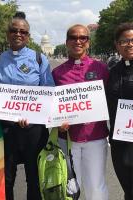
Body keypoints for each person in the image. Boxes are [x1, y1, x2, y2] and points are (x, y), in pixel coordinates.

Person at [0, 11, 54, 200]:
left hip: (33, 129)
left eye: (23, 32)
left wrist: (35, 116)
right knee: (7, 178)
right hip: (6, 129)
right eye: (14, 30)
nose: (18, 34)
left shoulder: (39, 58)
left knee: (34, 177)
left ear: (28, 36)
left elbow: (48, 90)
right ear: (7, 34)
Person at [52, 24, 109, 200]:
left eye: (82, 38)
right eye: (73, 37)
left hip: (96, 137)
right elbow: (50, 105)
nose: (78, 41)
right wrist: (56, 122)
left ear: (88, 42)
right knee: (69, 187)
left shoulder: (101, 69)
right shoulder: (57, 73)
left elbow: (112, 98)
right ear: (67, 42)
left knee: (96, 187)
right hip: (68, 139)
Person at [107, 22, 133, 200]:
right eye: (124, 41)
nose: (129, 44)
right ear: (117, 45)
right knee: (128, 188)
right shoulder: (112, 72)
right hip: (120, 140)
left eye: (132, 40)